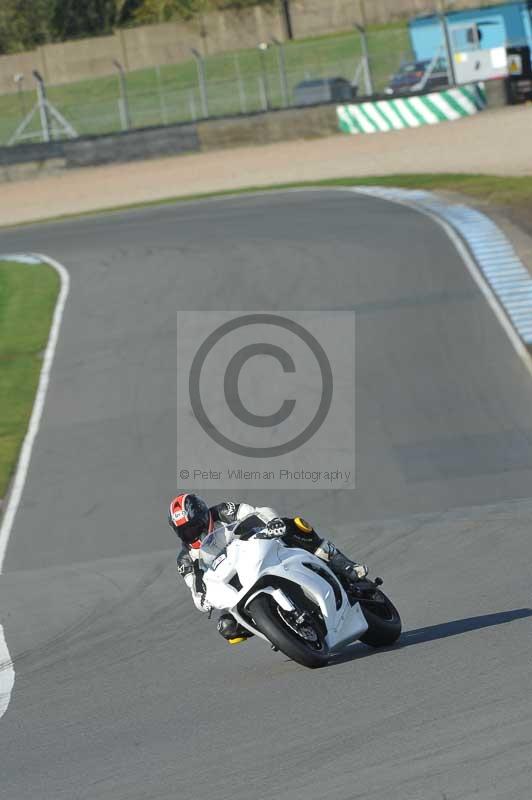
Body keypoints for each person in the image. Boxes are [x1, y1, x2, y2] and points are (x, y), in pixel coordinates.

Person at [169, 493, 368, 644]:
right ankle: (278, 631)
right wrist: (203, 601)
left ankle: (344, 564)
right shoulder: (185, 559)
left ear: (204, 515)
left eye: (195, 526)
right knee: (227, 628)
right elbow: (195, 589)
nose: (193, 533)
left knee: (295, 525)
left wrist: (271, 523)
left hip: (259, 551)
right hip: (237, 583)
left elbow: (254, 512)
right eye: (186, 532)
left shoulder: (222, 511)